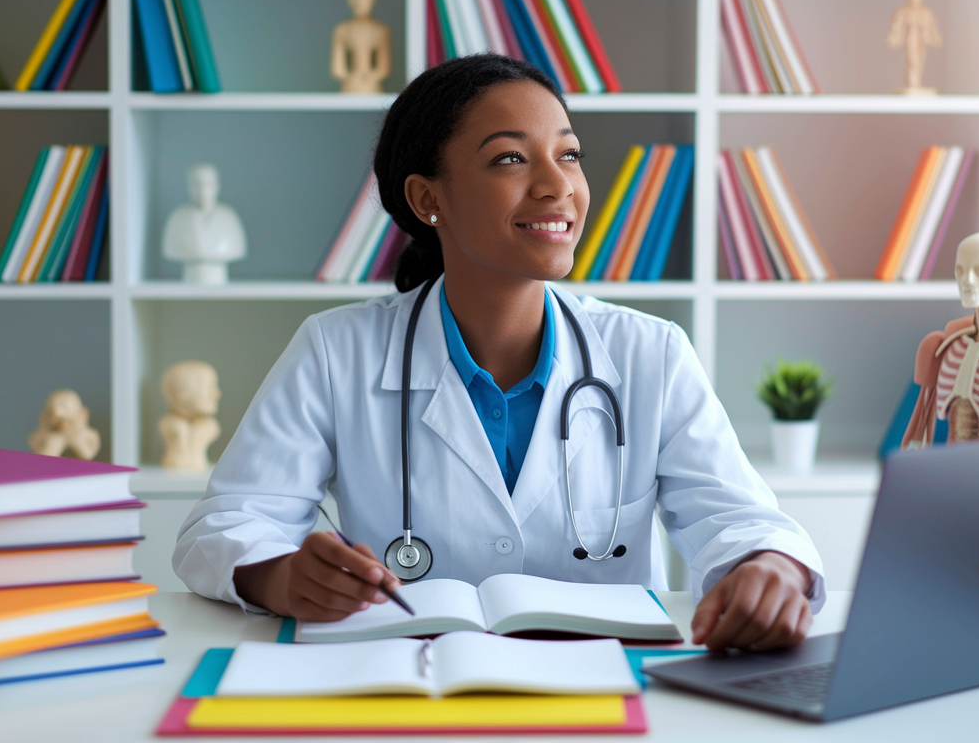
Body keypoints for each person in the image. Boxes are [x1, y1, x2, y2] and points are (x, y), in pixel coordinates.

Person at [173, 54, 824, 652]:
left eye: (569, 155)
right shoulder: (335, 350)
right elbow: (225, 525)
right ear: (428, 199)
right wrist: (281, 577)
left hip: (604, 691)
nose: (556, 186)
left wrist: (768, 568)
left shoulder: (650, 352)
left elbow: (741, 519)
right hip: (411, 687)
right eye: (511, 159)